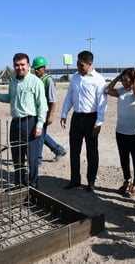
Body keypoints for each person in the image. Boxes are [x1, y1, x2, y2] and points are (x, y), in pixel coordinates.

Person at [0, 53, 48, 189]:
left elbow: (42, 105)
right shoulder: (13, 81)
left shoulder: (35, 82)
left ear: (28, 66)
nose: (20, 67)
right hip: (15, 123)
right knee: (17, 158)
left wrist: (39, 125)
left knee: (31, 158)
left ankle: (33, 186)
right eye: (17, 65)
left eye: (22, 65)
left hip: (30, 122)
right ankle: (19, 184)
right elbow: (9, 98)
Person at [60, 50, 107, 192]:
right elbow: (69, 97)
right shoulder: (74, 78)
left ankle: (91, 181)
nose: (78, 67)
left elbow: (102, 102)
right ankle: (75, 180)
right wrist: (64, 114)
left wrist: (99, 122)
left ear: (89, 64)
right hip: (76, 118)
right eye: (77, 63)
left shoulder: (98, 79)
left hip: (91, 118)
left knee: (92, 151)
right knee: (74, 150)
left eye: (81, 64)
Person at [104, 68, 135, 198]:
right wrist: (117, 77)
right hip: (121, 130)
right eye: (122, 80)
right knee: (123, 157)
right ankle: (127, 180)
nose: (124, 83)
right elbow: (107, 90)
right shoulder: (121, 91)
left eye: (126, 80)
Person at [31, 56, 67, 165]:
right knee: (40, 134)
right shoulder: (36, 80)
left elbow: (53, 100)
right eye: (35, 68)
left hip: (45, 112)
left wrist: (51, 115)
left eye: (38, 68)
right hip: (36, 111)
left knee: (39, 136)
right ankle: (58, 150)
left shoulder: (48, 80)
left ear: (44, 68)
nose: (36, 70)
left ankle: (37, 160)